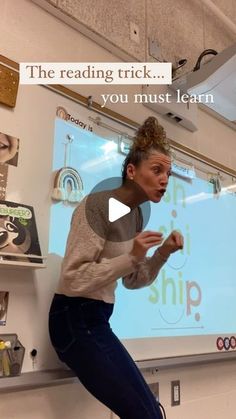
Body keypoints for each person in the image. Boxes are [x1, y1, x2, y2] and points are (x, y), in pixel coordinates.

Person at [49, 116, 184, 419]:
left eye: (169, 173)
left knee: (153, 412)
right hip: (72, 319)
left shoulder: (134, 217)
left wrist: (161, 253)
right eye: (157, 170)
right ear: (132, 171)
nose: (165, 180)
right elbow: (72, 279)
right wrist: (131, 257)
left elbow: (132, 281)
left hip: (96, 320)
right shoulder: (96, 207)